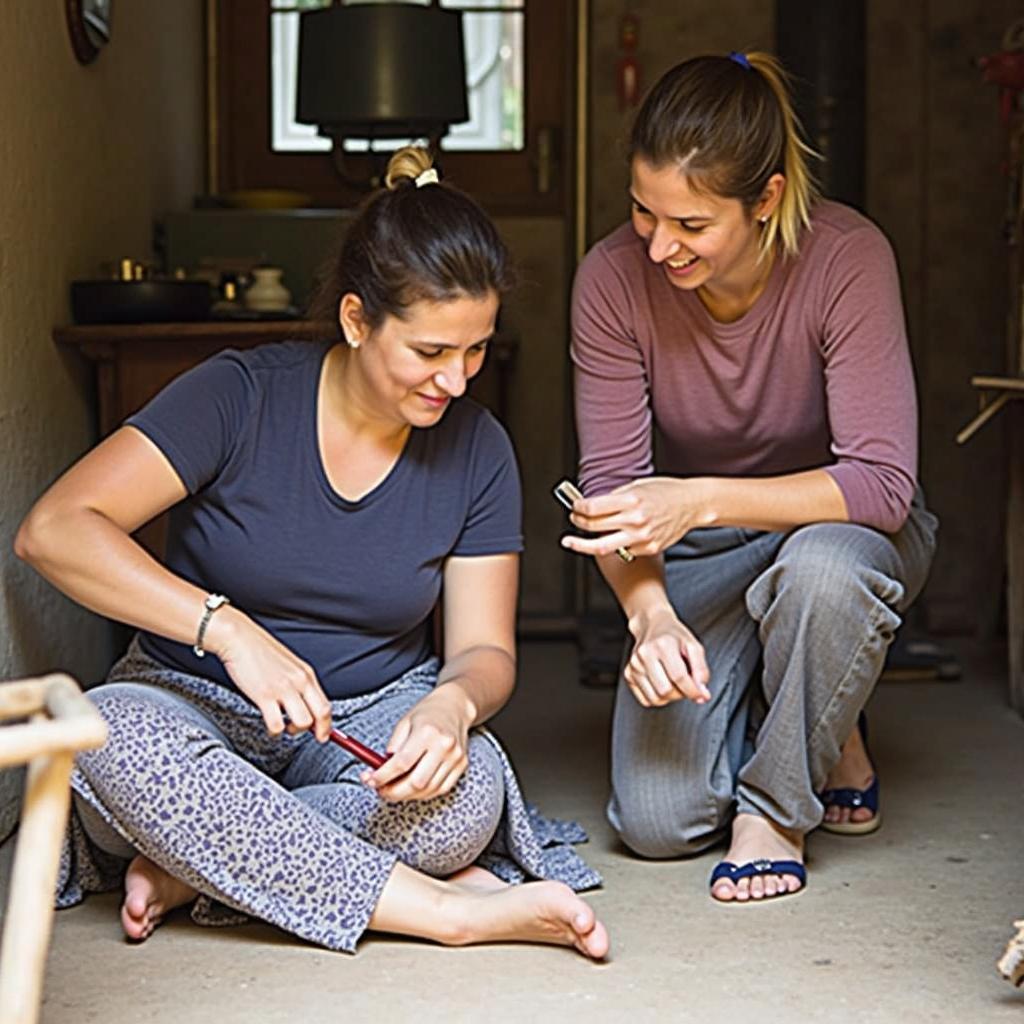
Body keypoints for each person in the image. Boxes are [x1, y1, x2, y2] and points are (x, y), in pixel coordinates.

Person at [15, 146, 609, 958]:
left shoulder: (479, 449)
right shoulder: (239, 394)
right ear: (358, 318)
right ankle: (446, 915)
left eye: (475, 349)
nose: (458, 380)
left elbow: (482, 649)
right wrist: (226, 630)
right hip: (191, 706)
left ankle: (197, 866)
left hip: (363, 723)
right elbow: (54, 530)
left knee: (466, 793)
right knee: (110, 739)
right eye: (430, 352)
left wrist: (451, 705)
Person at [563, 51, 937, 903]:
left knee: (821, 574)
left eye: (691, 224)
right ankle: (813, 703)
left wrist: (696, 496)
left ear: (764, 199)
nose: (659, 246)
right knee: (657, 824)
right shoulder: (612, 279)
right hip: (705, 555)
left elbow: (882, 486)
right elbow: (617, 488)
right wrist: (650, 616)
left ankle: (774, 807)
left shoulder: (847, 257)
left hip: (844, 536)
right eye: (642, 211)